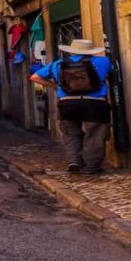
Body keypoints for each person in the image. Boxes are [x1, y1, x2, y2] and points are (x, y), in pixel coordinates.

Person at [30, 38, 112, 175]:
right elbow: (112, 73)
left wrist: (55, 86)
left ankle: (74, 161)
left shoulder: (58, 64)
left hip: (67, 102)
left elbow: (34, 77)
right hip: (95, 102)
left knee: (71, 133)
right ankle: (92, 167)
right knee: (95, 134)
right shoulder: (103, 61)